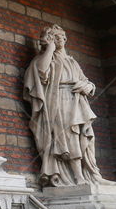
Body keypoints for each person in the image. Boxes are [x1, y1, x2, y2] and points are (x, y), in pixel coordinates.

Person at [23, 25, 103, 187]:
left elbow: (86, 80)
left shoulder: (71, 61)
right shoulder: (44, 60)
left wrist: (89, 87)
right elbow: (41, 72)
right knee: (68, 137)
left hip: (78, 101)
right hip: (59, 101)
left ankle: (92, 173)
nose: (61, 40)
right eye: (55, 37)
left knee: (86, 137)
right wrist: (50, 49)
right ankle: (78, 177)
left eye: (62, 37)